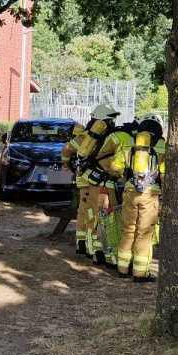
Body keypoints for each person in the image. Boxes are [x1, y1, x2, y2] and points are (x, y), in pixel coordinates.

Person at [61, 104, 122, 264]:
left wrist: (67, 166)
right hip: (100, 181)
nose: (113, 121)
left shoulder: (86, 136)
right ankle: (97, 251)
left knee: (86, 212)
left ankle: (85, 245)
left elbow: (67, 149)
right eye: (112, 119)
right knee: (100, 215)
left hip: (84, 179)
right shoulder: (112, 137)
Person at [108, 115, 166, 281]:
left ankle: (122, 269)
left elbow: (115, 168)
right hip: (150, 193)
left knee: (128, 230)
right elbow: (164, 173)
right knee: (144, 233)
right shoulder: (162, 145)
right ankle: (140, 273)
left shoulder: (129, 143)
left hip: (129, 192)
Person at [96, 119, 136, 270]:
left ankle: (100, 254)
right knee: (114, 222)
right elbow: (117, 167)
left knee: (102, 219)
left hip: (102, 184)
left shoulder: (113, 137)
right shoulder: (130, 142)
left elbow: (110, 163)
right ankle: (112, 258)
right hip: (114, 186)